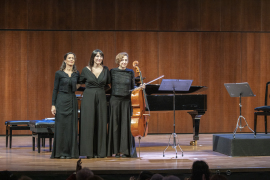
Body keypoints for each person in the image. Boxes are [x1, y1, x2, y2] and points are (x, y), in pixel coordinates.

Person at [79, 49, 110, 158]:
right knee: (88, 123)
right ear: (92, 57)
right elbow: (78, 84)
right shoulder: (85, 70)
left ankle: (100, 152)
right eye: (96, 56)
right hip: (88, 97)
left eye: (101, 56)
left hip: (101, 97)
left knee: (101, 123)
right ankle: (88, 152)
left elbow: (109, 85)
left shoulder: (106, 70)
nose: (99, 58)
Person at [107, 52, 137, 158]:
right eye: (122, 60)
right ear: (118, 61)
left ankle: (125, 151)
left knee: (125, 126)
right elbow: (108, 85)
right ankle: (116, 151)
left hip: (126, 101)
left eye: (125, 60)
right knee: (115, 125)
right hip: (115, 101)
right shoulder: (113, 72)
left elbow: (133, 86)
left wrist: (139, 88)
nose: (124, 62)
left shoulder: (130, 72)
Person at [51, 52, 80, 159]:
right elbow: (55, 89)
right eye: (69, 58)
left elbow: (78, 86)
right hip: (61, 100)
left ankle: (70, 153)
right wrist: (53, 105)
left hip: (72, 100)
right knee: (61, 127)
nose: (71, 60)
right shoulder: (59, 73)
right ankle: (60, 153)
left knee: (71, 127)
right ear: (65, 60)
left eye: (73, 58)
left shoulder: (76, 73)